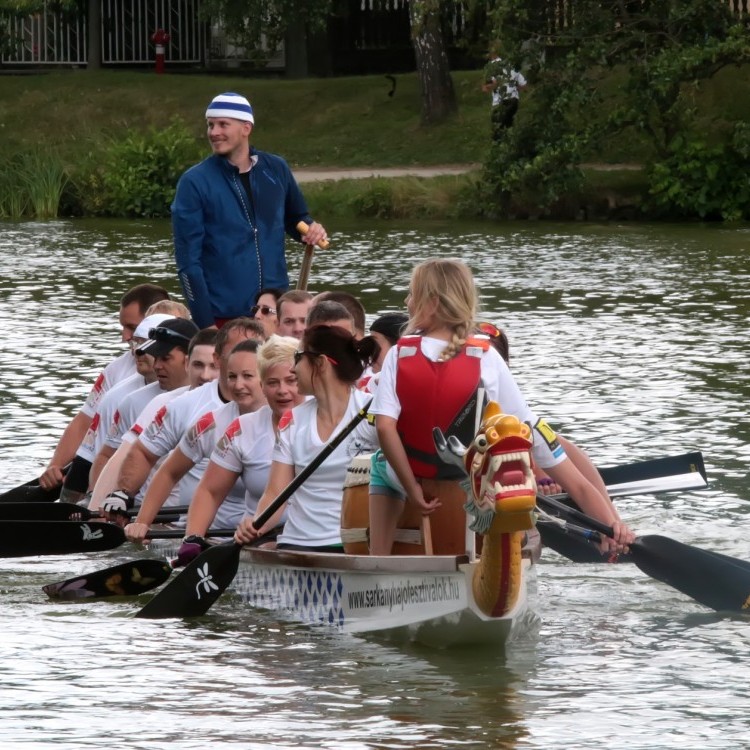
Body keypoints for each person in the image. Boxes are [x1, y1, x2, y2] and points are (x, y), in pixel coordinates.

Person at [367, 259, 635, 556]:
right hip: (472, 482)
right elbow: (539, 440)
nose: (407, 302)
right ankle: (510, 546)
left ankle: (378, 559)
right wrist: (611, 523)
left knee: (378, 464)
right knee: (513, 458)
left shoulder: (398, 354)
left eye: (411, 294)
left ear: (430, 303)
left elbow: (384, 427)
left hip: (414, 477)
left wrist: (413, 489)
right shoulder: (486, 357)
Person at [172, 91, 328, 328]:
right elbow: (188, 264)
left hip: (275, 312)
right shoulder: (194, 182)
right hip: (224, 316)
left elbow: (297, 218)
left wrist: (312, 230)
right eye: (210, 125)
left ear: (246, 128)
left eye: (223, 124)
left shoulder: (276, 168)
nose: (214, 132)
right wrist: (206, 325)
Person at [158, 335, 306, 563]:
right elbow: (210, 491)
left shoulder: (328, 423)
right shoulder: (242, 429)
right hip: (260, 535)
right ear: (262, 386)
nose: (282, 390)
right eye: (272, 383)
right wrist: (193, 538)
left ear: (306, 380)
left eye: (291, 381)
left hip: (314, 536)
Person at [234, 325, 379, 553]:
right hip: (297, 544)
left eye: (298, 358)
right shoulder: (292, 420)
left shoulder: (372, 413)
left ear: (320, 363)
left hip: (354, 544)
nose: (293, 368)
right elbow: (275, 494)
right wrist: (255, 525)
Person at [103, 318, 267, 513]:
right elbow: (143, 453)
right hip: (196, 526)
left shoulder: (286, 408)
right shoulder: (185, 405)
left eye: (256, 352)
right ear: (217, 358)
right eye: (238, 351)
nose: (246, 359)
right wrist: (123, 493)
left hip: (261, 532)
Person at [124, 338, 273, 543]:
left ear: (265, 378)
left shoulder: (294, 418)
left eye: (248, 376)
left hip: (268, 534)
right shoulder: (211, 423)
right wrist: (142, 522)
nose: (238, 385)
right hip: (217, 534)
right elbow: (169, 472)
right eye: (231, 376)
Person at [39, 283, 170, 490]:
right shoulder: (116, 369)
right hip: (99, 467)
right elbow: (84, 420)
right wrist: (55, 466)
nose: (125, 337)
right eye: (124, 327)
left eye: (132, 328)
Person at [481, 52, 527, 141]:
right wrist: (513, 87)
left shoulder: (493, 66)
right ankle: (511, 142)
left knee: (498, 125)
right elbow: (524, 86)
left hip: (500, 102)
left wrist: (486, 87)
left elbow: (494, 84)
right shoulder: (513, 66)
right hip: (513, 100)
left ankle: (500, 143)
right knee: (508, 122)